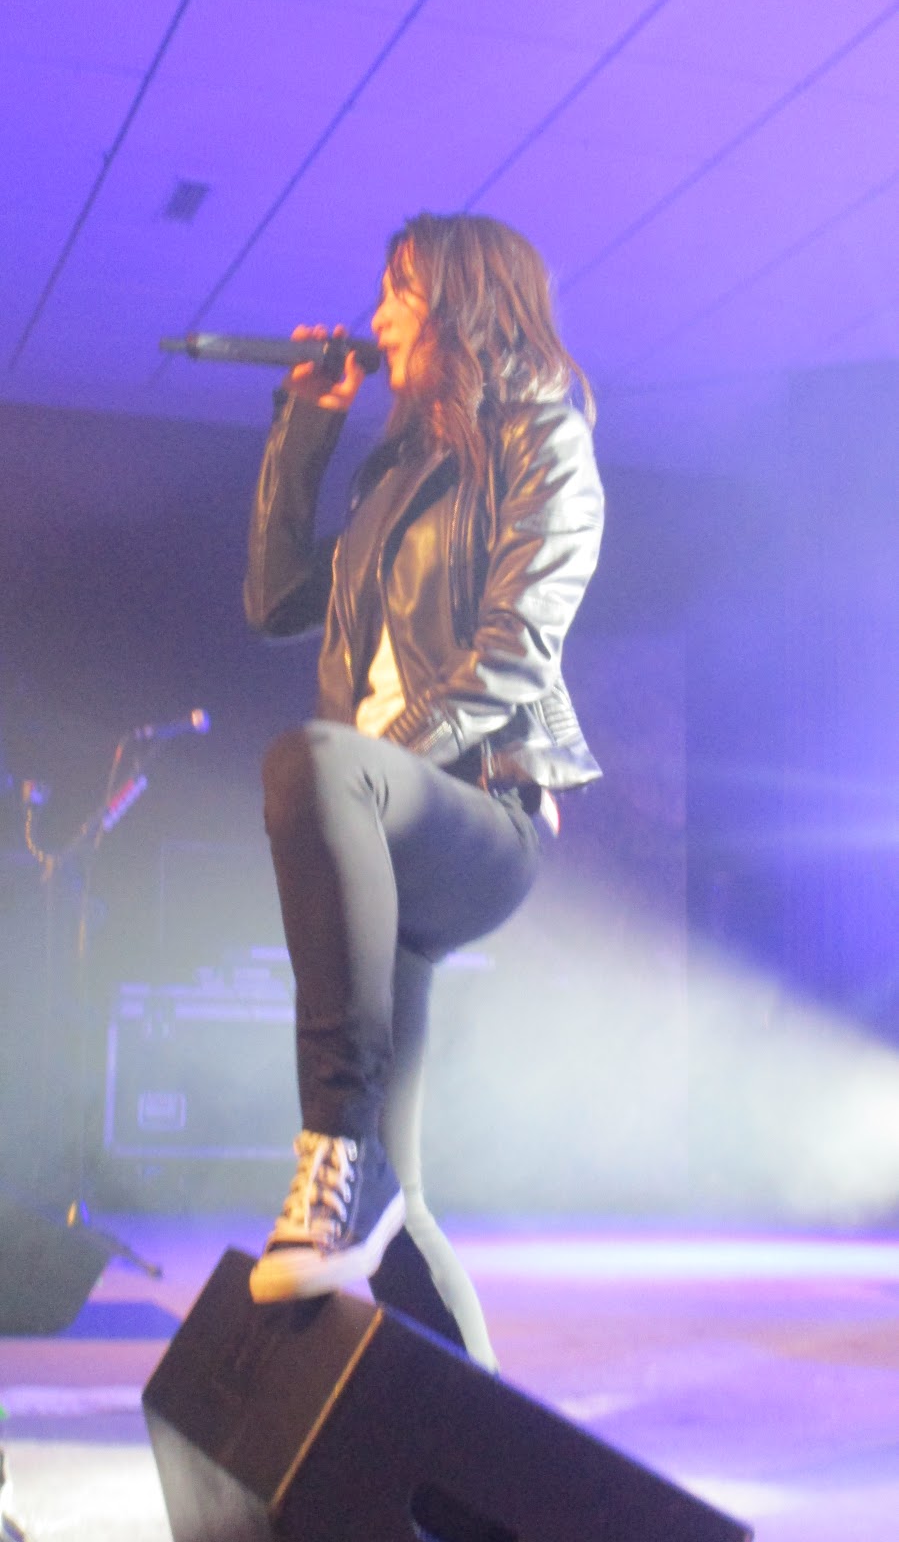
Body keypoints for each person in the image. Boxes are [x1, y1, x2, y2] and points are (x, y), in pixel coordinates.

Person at [243, 211, 603, 1368]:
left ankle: (332, 1158)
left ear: (457, 306)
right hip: (380, 813)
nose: (377, 316)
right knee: (393, 1199)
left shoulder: (542, 435)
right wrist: (306, 425)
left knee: (314, 758)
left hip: (481, 813)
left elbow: (513, 654)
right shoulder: (395, 470)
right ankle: (478, 1434)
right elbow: (274, 600)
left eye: (397, 293)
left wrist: (379, 758)